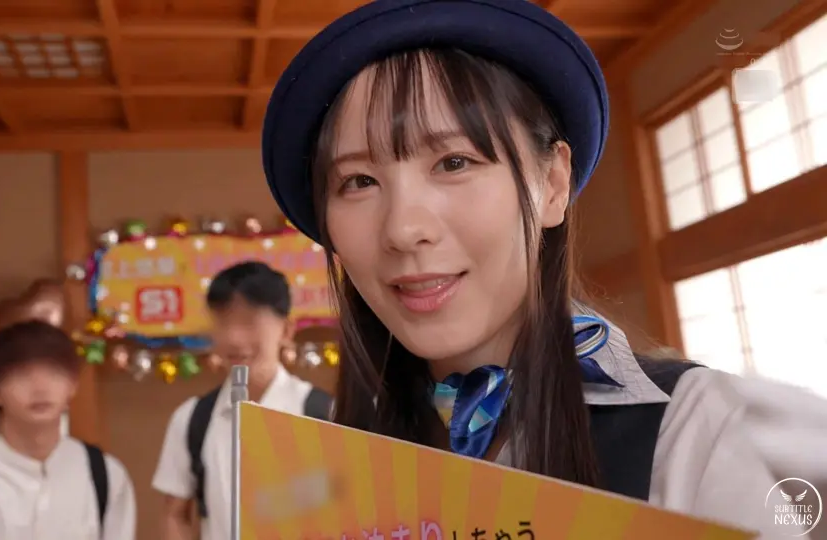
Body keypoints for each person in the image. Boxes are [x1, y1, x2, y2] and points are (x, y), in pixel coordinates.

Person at [258, 0, 827, 538]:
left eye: (454, 162)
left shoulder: (706, 434)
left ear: (553, 184)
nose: (403, 229)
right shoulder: (328, 462)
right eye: (358, 181)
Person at [152, 261, 332, 540]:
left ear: (286, 330)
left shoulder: (324, 414)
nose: (234, 338)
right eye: (223, 322)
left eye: (249, 322)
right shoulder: (192, 418)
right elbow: (175, 514)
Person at [0, 320, 136, 540]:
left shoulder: (107, 477)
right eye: (22, 375)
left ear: (73, 385)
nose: (40, 388)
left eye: (54, 372)